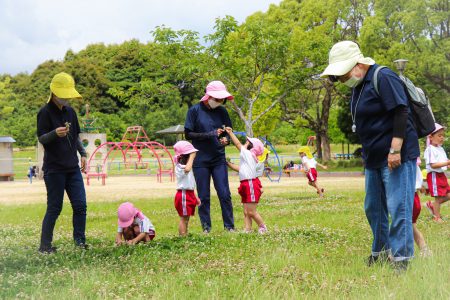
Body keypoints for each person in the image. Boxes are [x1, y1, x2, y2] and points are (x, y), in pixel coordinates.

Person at [321, 41, 420, 271]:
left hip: (396, 155)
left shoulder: (383, 76)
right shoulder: (359, 85)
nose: (341, 80)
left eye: (342, 74)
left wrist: (395, 149)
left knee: (398, 207)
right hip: (373, 157)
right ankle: (381, 251)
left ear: (357, 65)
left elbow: (400, 111)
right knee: (373, 207)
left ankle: (402, 259)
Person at [37, 72, 88, 254]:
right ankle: (44, 247)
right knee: (54, 208)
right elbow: (42, 138)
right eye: (64, 95)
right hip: (54, 170)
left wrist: (83, 154)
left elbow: (75, 137)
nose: (67, 99)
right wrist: (53, 134)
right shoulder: (44, 112)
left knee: (81, 205)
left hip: (72, 168)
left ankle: (80, 242)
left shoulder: (71, 112)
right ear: (55, 93)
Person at [184, 81, 235, 233]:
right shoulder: (194, 111)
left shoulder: (222, 111)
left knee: (224, 194)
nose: (220, 102)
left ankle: (229, 227)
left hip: (218, 158)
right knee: (204, 196)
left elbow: (227, 132)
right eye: (218, 99)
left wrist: (226, 139)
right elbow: (188, 134)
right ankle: (206, 228)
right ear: (209, 97)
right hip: (200, 160)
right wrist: (210, 134)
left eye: (222, 100)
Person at [225, 128, 267, 234]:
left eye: (246, 142)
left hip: (250, 184)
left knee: (251, 211)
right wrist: (227, 163)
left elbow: (237, 144)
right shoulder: (248, 158)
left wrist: (230, 133)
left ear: (250, 146)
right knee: (246, 211)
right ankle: (247, 229)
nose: (243, 144)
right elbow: (240, 169)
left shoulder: (248, 154)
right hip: (245, 184)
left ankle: (262, 227)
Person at [173, 141, 201, 236]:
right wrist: (192, 157)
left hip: (189, 193)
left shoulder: (185, 165)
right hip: (183, 195)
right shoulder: (180, 166)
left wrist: (195, 197)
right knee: (183, 218)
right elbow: (187, 169)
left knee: (186, 218)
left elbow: (190, 183)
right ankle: (182, 237)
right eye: (189, 154)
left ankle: (184, 234)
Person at [423, 123, 450, 223]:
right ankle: (437, 217)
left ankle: (432, 205)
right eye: (439, 135)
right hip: (434, 175)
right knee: (438, 198)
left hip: (441, 175)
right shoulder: (430, 149)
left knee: (448, 194)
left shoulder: (440, 148)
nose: (442, 138)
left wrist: (447, 164)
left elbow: (443, 160)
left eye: (443, 135)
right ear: (430, 137)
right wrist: (446, 162)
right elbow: (433, 165)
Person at [413, 158, 431, 257]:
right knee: (410, 225)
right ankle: (424, 248)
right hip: (413, 195)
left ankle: (424, 248)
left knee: (408, 225)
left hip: (410, 194)